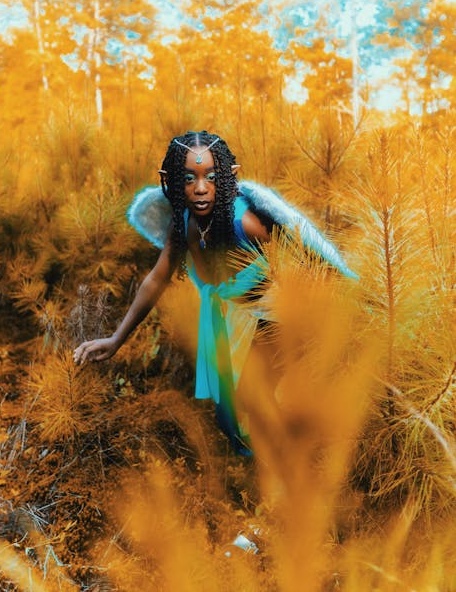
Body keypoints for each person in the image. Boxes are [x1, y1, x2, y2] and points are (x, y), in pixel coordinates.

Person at [73, 130, 357, 456]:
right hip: (232, 320)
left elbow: (304, 258)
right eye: (189, 178)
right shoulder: (183, 221)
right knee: (233, 413)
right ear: (168, 180)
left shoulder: (244, 221)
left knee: (255, 397)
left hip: (275, 318)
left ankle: (297, 470)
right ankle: (276, 465)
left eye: (211, 176)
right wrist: (116, 339)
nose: (201, 188)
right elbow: (157, 277)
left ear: (228, 176)